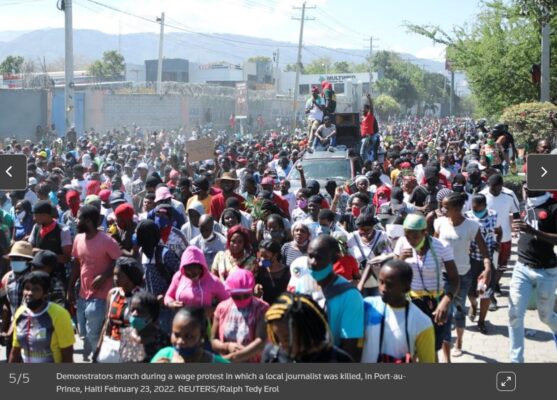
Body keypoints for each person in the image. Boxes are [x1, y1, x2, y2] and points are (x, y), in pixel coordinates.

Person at [434, 192, 491, 360]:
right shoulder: (439, 223)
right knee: (446, 313)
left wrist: (487, 269)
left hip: (462, 276)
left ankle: (458, 342)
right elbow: (433, 246)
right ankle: (446, 356)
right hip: (443, 275)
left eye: (446, 207)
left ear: (458, 208)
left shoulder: (471, 226)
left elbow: (484, 251)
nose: (442, 209)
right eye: (442, 206)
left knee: (459, 311)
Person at [393, 213, 459, 356]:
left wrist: (445, 302)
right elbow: (395, 273)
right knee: (414, 345)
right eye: (407, 236)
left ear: (425, 232)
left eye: (416, 237)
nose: (411, 241)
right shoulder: (402, 243)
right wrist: (400, 259)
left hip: (437, 303)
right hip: (413, 302)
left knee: (433, 346)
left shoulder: (441, 246)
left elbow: (454, 279)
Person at [67, 205, 122, 361]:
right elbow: (77, 265)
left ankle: (98, 362)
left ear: (88, 221)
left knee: (94, 334)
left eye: (78, 218)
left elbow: (119, 262)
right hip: (82, 295)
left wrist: (104, 276)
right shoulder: (78, 239)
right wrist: (70, 288)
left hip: (100, 296)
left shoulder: (106, 240)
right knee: (82, 333)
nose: (76, 221)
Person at [509, 184, 557, 363]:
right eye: (525, 184)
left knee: (546, 317)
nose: (526, 187)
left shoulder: (553, 207)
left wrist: (534, 232)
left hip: (547, 271)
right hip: (521, 267)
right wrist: (515, 228)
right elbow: (516, 223)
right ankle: (516, 361)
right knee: (514, 314)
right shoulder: (523, 205)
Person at [361, 260, 435, 363]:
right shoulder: (366, 306)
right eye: (381, 282)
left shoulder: (422, 323)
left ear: (406, 288)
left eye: (389, 285)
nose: (383, 289)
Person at [307, 235, 364, 361]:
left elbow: (349, 347)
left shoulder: (350, 296)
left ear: (335, 259)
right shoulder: (303, 283)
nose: (312, 263)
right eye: (310, 256)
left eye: (319, 258)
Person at [263, 292, 353, 363]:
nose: (280, 345)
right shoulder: (272, 356)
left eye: (287, 338)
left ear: (307, 332)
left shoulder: (338, 360)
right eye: (277, 338)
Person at [9, 271, 74, 363]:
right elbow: (15, 350)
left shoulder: (59, 314)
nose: (30, 293)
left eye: (36, 289)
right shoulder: (20, 312)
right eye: (27, 288)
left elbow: (67, 355)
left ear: (45, 293)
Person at [211, 268, 268, 362]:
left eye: (246, 295)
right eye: (236, 296)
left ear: (251, 290)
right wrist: (227, 346)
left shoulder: (261, 308)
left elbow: (261, 342)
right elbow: (213, 340)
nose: (241, 299)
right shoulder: (222, 308)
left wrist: (233, 358)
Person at [93, 257, 144, 363]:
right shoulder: (113, 294)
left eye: (119, 275)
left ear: (130, 276)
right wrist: (98, 349)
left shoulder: (141, 297)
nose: (115, 278)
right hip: (112, 347)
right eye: (114, 274)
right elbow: (107, 323)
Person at [480, 174, 519, 306]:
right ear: (488, 186)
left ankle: (495, 284)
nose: (496, 190)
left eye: (498, 188)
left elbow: (516, 212)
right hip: (488, 239)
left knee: (502, 266)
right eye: (493, 188)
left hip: (506, 237)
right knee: (490, 266)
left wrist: (517, 228)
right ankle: (490, 295)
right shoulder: (482, 195)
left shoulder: (509, 195)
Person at [465, 194, 501, 334]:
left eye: (477, 208)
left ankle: (481, 322)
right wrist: (467, 246)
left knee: (486, 293)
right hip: (472, 260)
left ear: (484, 205)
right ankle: (473, 306)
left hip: (488, 260)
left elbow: (499, 231)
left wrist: (498, 242)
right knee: (471, 292)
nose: (474, 210)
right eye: (473, 208)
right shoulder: (467, 216)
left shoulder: (493, 215)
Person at [135, 219, 180, 332]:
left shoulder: (165, 254)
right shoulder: (142, 252)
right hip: (149, 307)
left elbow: (181, 276)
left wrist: (165, 294)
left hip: (165, 308)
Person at [151, 308, 229, 363]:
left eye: (188, 336)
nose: (180, 341)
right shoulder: (164, 355)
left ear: (201, 336)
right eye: (176, 335)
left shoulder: (218, 362)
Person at [164, 246, 229, 312]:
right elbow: (168, 296)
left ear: (201, 267)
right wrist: (171, 303)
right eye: (188, 274)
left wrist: (212, 310)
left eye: (194, 273)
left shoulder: (214, 281)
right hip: (182, 320)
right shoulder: (179, 276)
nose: (191, 276)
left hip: (204, 321)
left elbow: (228, 303)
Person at [29, 200, 72, 287]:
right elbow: (30, 247)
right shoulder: (36, 227)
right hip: (38, 274)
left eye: (35, 215)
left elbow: (67, 258)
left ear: (45, 215)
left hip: (56, 276)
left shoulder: (63, 230)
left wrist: (42, 254)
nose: (33, 218)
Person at [118, 291, 171, 363]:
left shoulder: (163, 340)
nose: (134, 314)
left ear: (151, 316)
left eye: (139, 311)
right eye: (132, 310)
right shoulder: (125, 333)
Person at [348, 213, 391, 296]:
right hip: (358, 282)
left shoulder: (382, 236)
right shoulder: (351, 238)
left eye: (367, 230)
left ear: (373, 227)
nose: (364, 233)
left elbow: (388, 256)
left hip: (377, 283)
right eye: (361, 230)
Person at [254, 239, 290, 305]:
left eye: (266, 256)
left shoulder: (287, 272)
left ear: (275, 255)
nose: (262, 259)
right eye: (261, 256)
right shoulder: (260, 270)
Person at [360, 93, 379, 162]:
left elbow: (371, 107)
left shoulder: (369, 116)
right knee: (366, 153)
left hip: (368, 137)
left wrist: (369, 99)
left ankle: (367, 164)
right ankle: (369, 163)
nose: (362, 109)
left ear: (368, 109)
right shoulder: (364, 118)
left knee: (362, 153)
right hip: (364, 138)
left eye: (364, 108)